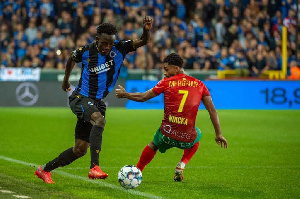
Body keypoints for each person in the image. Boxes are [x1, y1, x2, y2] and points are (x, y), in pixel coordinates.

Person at [35, 17, 153, 184]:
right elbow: (71, 59)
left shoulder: (120, 48)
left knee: (80, 149)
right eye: (104, 43)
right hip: (80, 97)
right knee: (99, 120)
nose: (107, 47)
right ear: (97, 39)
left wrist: (146, 29)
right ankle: (94, 167)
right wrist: (65, 80)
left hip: (97, 101)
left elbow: (144, 40)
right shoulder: (85, 51)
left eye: (110, 44)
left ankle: (44, 170)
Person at [115, 53, 228, 181]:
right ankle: (182, 164)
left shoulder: (166, 82)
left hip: (167, 134)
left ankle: (137, 171)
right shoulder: (200, 84)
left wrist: (126, 94)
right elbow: (212, 110)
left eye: (166, 69)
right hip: (187, 138)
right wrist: (218, 134)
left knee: (153, 144)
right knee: (197, 134)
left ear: (176, 69)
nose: (164, 73)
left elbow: (143, 97)